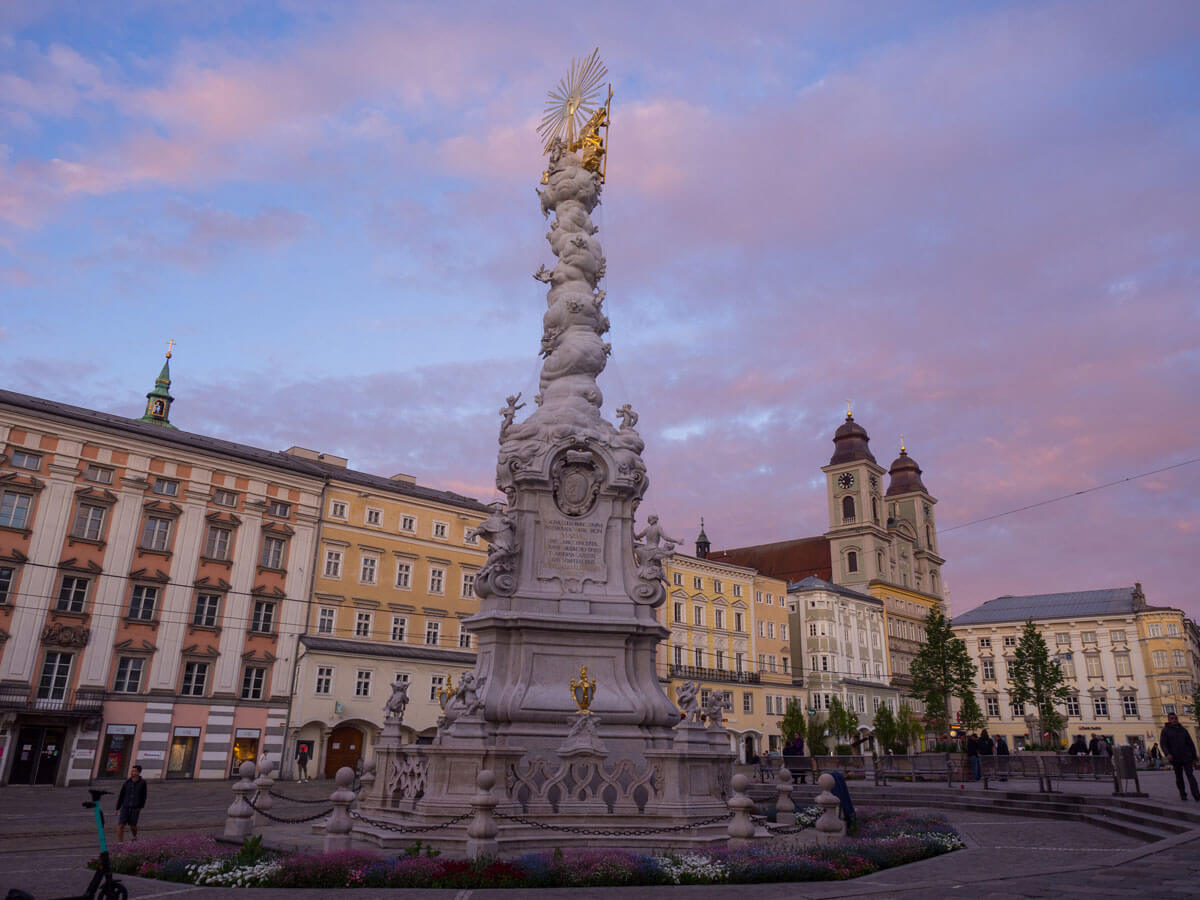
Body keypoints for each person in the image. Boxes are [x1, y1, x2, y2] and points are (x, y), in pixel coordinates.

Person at [1160, 711, 1200, 802]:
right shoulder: (1165, 730)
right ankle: (1183, 794)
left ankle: (1196, 795)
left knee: (1190, 775)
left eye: (1175, 718)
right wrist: (1167, 754)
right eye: (1172, 718)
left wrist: (1194, 757)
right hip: (1175, 757)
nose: (1174, 720)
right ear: (1169, 720)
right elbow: (1163, 744)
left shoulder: (1183, 730)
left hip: (1186, 756)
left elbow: (1190, 743)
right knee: (1179, 777)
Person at [115, 764, 147, 842]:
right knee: (120, 825)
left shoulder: (142, 783)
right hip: (125, 807)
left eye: (135, 771)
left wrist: (141, 807)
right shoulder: (126, 783)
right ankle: (120, 843)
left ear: (139, 773)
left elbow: (144, 795)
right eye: (132, 771)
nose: (132, 773)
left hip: (135, 808)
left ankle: (135, 836)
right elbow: (121, 795)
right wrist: (117, 808)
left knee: (133, 826)